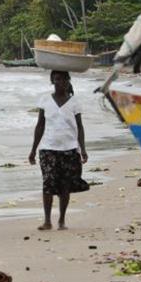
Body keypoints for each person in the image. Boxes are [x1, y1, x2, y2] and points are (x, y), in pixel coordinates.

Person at [28, 70, 89, 231]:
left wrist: (82, 149)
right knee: (48, 183)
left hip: (69, 149)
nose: (59, 82)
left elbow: (80, 128)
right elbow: (40, 126)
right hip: (48, 148)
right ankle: (47, 221)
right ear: (52, 81)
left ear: (68, 81)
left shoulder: (74, 102)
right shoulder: (45, 100)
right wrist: (33, 150)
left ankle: (61, 220)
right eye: (56, 79)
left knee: (64, 186)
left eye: (62, 79)